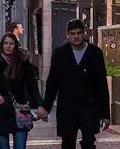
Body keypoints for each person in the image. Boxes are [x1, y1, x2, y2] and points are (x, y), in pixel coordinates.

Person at [42, 20, 110, 149]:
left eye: (79, 33)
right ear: (67, 35)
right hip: (67, 107)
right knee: (67, 142)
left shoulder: (95, 53)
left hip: (89, 106)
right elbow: (52, 82)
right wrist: (46, 107)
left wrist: (105, 114)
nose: (76, 36)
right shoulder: (60, 54)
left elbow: (101, 85)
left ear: (84, 33)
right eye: (73, 34)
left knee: (89, 143)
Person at [0, 33, 42, 149]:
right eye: (5, 43)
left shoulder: (23, 62)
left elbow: (33, 87)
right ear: (1, 45)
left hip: (20, 110)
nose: (8, 46)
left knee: (20, 145)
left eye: (11, 44)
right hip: (0, 112)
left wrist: (40, 105)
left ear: (16, 45)